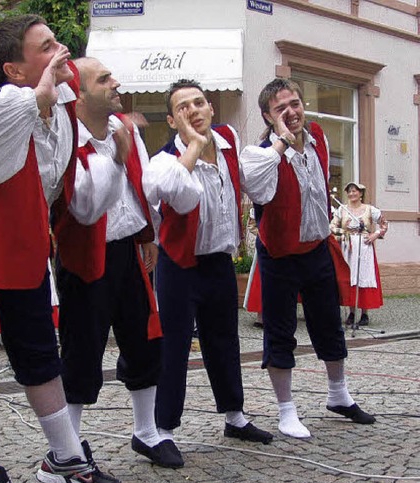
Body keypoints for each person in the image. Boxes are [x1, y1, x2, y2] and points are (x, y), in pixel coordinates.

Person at [0, 15, 122, 483]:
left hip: (22, 235)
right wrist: (35, 96)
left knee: (38, 349)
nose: (62, 52)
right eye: (47, 47)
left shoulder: (64, 106)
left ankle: (66, 458)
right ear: (16, 71)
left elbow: (63, 188)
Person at [51, 57, 182, 469]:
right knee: (81, 350)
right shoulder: (65, 136)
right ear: (80, 92)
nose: (116, 83)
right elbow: (84, 205)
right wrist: (118, 157)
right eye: (104, 79)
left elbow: (139, 187)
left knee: (145, 341)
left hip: (129, 249)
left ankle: (146, 433)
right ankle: (67, 447)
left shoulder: (123, 129)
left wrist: (148, 235)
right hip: (85, 255)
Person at [239, 77, 375, 439]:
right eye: (280, 108)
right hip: (280, 255)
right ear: (268, 116)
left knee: (329, 324)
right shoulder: (261, 154)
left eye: (295, 103)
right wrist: (282, 142)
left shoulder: (319, 137)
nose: (291, 112)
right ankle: (286, 411)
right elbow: (258, 189)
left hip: (316, 248)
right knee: (280, 333)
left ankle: (338, 395)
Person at [144, 79, 273, 457]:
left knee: (224, 341)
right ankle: (163, 429)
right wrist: (194, 147)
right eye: (183, 107)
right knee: (174, 346)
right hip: (178, 264)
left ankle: (235, 416)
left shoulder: (230, 143)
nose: (194, 111)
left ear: (212, 108)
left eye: (199, 103)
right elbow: (167, 190)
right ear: (171, 120)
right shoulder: (166, 159)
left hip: (218, 260)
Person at [330, 182, 388, 326]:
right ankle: (351, 312)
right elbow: (331, 226)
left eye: (354, 191)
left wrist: (375, 235)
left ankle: (364, 314)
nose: (351, 194)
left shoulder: (369, 210)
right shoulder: (342, 210)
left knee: (364, 277)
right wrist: (342, 234)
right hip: (348, 248)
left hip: (364, 246)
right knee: (350, 277)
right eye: (349, 191)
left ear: (361, 193)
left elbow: (384, 224)